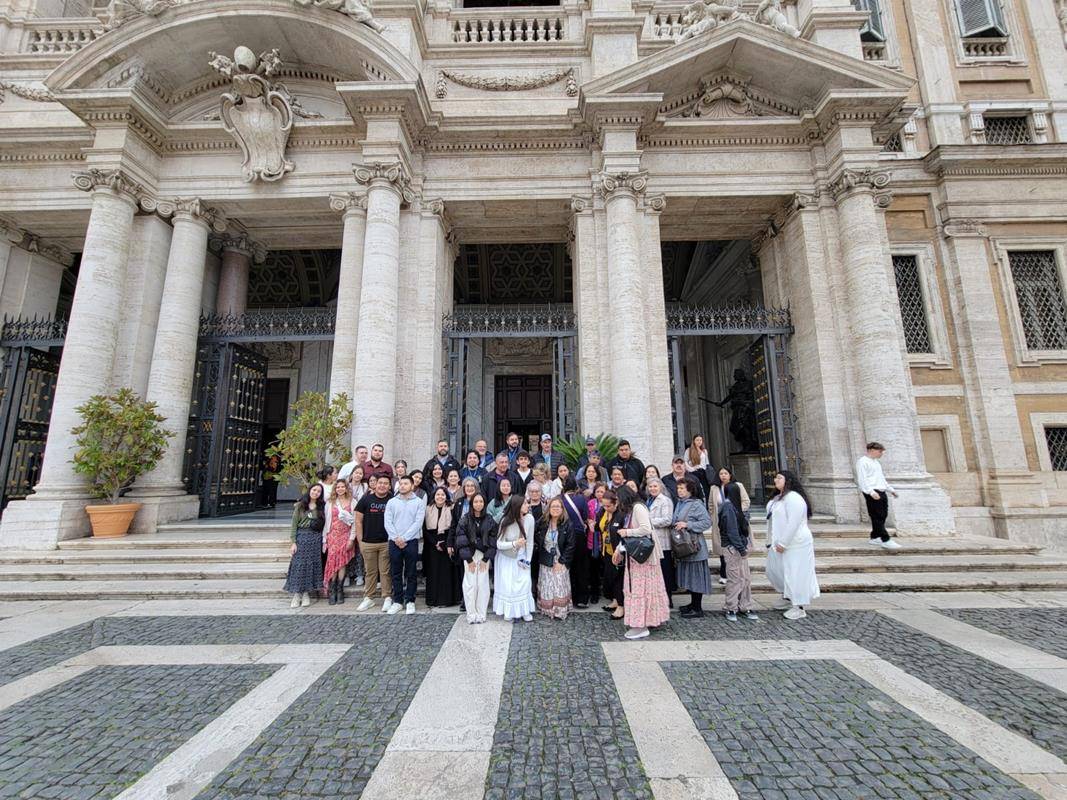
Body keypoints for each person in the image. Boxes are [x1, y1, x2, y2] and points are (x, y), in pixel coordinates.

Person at [613, 484, 670, 640]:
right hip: (637, 557)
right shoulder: (632, 510)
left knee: (640, 590)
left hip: (643, 559)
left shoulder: (638, 508)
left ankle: (641, 625)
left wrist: (626, 532)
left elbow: (646, 529)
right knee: (642, 589)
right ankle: (647, 620)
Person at [766, 470, 820, 620]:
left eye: (779, 477)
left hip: (796, 542)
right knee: (775, 570)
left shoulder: (794, 498)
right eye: (775, 477)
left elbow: (794, 522)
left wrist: (784, 542)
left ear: (788, 481)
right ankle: (787, 596)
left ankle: (799, 606)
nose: (775, 479)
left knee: (795, 572)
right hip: (779, 541)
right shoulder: (778, 498)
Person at [384, 474, 426, 615]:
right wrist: (396, 538)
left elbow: (418, 523)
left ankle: (410, 600)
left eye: (406, 484)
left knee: (411, 572)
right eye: (401, 484)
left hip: (411, 541)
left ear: (412, 486)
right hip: (394, 541)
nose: (402, 486)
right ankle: (397, 601)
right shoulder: (392, 502)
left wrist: (405, 538)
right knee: (396, 572)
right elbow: (388, 522)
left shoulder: (418, 502)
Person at [673, 476, 713, 618]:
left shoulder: (696, 504)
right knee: (689, 577)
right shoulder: (680, 503)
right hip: (684, 546)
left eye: (682, 488)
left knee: (696, 578)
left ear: (690, 490)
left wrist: (688, 525)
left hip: (695, 546)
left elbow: (707, 522)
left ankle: (697, 608)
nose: (679, 491)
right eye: (678, 488)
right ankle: (692, 604)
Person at [355, 475, 394, 612]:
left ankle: (387, 597)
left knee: (385, 572)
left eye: (385, 483)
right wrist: (360, 540)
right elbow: (358, 520)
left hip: (386, 542)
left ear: (389, 486)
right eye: (380, 483)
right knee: (370, 572)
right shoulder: (366, 499)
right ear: (375, 484)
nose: (382, 485)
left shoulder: (392, 500)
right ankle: (369, 598)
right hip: (368, 542)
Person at [494, 495, 536, 622]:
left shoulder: (529, 519)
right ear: (517, 506)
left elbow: (530, 541)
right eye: (524, 504)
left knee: (524, 583)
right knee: (509, 586)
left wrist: (528, 559)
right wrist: (514, 543)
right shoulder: (505, 521)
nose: (527, 506)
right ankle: (509, 611)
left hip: (522, 557)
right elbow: (498, 544)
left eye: (527, 503)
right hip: (507, 558)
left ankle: (524, 611)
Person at [455, 493, 496, 623]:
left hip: (483, 555)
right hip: (470, 555)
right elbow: (461, 539)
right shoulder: (465, 519)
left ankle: (481, 613)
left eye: (481, 502)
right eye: (476, 502)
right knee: (470, 584)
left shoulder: (489, 519)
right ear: (472, 504)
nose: (478, 504)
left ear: (484, 503)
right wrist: (468, 559)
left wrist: (486, 558)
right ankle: (471, 613)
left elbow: (493, 540)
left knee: (482, 584)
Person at [720, 482, 757, 622]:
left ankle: (745, 605)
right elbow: (732, 531)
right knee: (735, 579)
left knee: (745, 578)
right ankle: (731, 607)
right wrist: (741, 549)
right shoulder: (728, 507)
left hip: (739, 546)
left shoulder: (735, 507)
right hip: (732, 547)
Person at [709, 466, 751, 586]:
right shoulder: (714, 488)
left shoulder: (738, 485)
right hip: (720, 522)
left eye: (725, 473)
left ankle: (738, 573)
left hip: (736, 520)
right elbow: (711, 505)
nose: (723, 476)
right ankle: (724, 573)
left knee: (735, 545)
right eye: (721, 473)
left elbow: (746, 501)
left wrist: (735, 511)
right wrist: (713, 517)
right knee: (723, 547)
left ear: (730, 475)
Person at [535, 496, 575, 619]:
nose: (556, 509)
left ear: (562, 509)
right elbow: (535, 536)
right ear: (549, 508)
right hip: (546, 558)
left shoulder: (567, 524)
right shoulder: (543, 522)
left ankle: (559, 610)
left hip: (560, 558)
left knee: (559, 584)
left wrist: (562, 561)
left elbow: (571, 545)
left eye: (558, 506)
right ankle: (547, 609)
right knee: (547, 584)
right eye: (553, 506)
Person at [856, 442, 901, 550]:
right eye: (879, 451)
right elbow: (863, 479)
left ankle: (875, 537)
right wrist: (871, 492)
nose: (881, 454)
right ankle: (886, 539)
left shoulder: (876, 462)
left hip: (881, 490)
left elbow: (880, 478)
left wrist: (890, 489)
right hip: (872, 491)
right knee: (877, 515)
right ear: (871, 450)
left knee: (883, 514)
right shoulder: (862, 462)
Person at [285, 485, 325, 608]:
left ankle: (307, 593)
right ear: (309, 491)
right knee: (299, 565)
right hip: (302, 537)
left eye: (319, 491)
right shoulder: (300, 506)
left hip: (315, 538)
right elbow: (294, 525)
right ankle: (297, 594)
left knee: (311, 565)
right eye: (314, 490)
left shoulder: (321, 507)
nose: (316, 492)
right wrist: (293, 542)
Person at [424, 487, 461, 607]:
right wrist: (435, 543)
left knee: (447, 573)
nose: (440, 497)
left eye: (443, 495)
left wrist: (445, 543)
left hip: (448, 543)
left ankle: (447, 599)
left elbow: (454, 526)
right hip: (432, 545)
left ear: (446, 496)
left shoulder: (452, 508)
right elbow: (425, 529)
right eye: (438, 494)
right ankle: (433, 599)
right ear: (434, 496)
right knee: (433, 572)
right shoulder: (427, 509)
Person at [323, 477, 355, 605]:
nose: (340, 489)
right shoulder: (330, 502)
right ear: (335, 489)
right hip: (333, 535)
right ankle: (332, 589)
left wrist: (351, 539)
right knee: (332, 563)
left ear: (346, 488)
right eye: (338, 487)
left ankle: (340, 589)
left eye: (343, 487)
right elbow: (326, 521)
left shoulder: (353, 502)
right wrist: (325, 538)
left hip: (346, 535)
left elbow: (355, 522)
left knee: (342, 563)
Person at [645, 477, 676, 607]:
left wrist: (648, 523)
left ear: (660, 487)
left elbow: (667, 520)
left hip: (663, 541)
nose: (652, 489)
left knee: (665, 571)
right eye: (650, 486)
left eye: (655, 486)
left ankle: (668, 599)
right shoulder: (648, 500)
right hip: (651, 540)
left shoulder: (665, 500)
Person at [560, 478, 590, 608]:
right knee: (581, 566)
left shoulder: (560, 499)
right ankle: (582, 598)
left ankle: (567, 595)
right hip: (579, 534)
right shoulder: (582, 499)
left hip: (564, 534)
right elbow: (585, 516)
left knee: (566, 565)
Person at [599, 490, 625, 620]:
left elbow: (622, 534)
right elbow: (599, 526)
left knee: (619, 578)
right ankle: (615, 600)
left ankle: (621, 605)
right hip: (607, 550)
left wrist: (620, 550)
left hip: (618, 551)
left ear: (616, 503)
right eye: (604, 505)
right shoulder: (604, 512)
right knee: (611, 576)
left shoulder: (621, 515)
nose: (606, 508)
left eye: (608, 506)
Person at [345, 465, 368, 588]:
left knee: (359, 548)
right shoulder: (345, 485)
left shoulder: (364, 486)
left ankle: (359, 574)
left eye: (360, 473)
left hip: (360, 519)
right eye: (356, 472)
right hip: (346, 520)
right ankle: (348, 574)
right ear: (352, 473)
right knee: (348, 547)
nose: (358, 475)